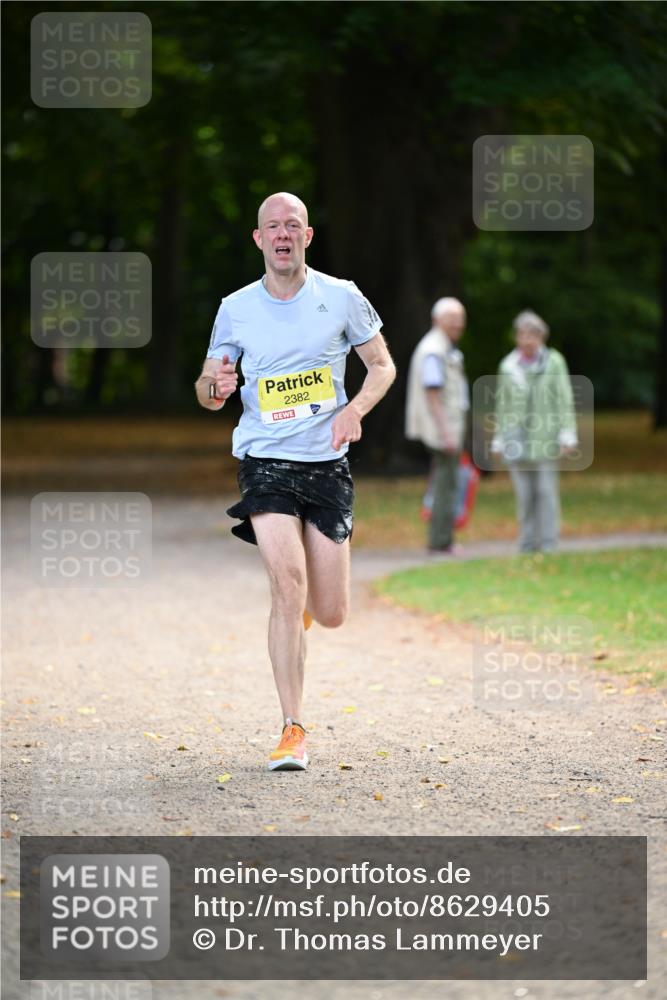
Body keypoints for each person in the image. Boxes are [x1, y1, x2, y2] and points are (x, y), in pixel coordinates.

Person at [195, 192, 396, 772]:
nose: (282, 234)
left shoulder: (341, 297)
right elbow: (208, 388)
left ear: (307, 236)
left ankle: (304, 614)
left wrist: (354, 409)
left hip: (326, 464)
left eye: (293, 225)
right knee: (287, 584)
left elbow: (381, 364)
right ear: (259, 240)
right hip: (265, 463)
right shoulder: (235, 308)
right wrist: (215, 389)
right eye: (271, 227)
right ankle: (292, 728)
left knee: (330, 611)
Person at [491, 309, 578, 553]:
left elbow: (564, 398)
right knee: (524, 496)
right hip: (515, 439)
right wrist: (498, 439)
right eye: (522, 334)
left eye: (532, 335)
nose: (527, 340)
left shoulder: (555, 362)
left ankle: (549, 544)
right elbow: (502, 404)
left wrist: (567, 433)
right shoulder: (508, 366)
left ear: (542, 337)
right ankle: (527, 543)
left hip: (545, 439)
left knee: (546, 493)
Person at [405, 297, 469, 554]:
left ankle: (442, 539)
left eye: (460, 319)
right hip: (443, 431)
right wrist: (446, 433)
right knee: (446, 484)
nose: (457, 324)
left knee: (445, 482)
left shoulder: (443, 347)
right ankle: (441, 542)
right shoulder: (434, 350)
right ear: (437, 320)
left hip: (447, 429)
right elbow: (433, 394)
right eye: (452, 319)